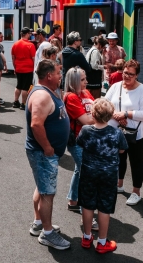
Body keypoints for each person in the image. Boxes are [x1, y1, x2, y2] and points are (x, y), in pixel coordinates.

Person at [25, 60, 70, 250]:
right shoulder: (42, 95)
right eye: (59, 73)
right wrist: (47, 147)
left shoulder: (48, 91)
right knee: (47, 194)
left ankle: (38, 223)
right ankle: (48, 234)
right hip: (43, 153)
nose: (61, 76)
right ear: (49, 75)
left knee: (42, 188)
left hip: (46, 153)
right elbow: (36, 124)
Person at [77, 98, 127, 254]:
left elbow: (80, 144)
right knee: (105, 207)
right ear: (111, 115)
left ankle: (86, 237)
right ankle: (103, 242)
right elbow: (122, 150)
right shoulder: (116, 133)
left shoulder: (85, 130)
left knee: (87, 204)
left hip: (88, 172)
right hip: (108, 174)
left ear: (92, 113)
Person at [105, 59, 143, 205]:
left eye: (131, 74)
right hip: (116, 130)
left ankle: (136, 192)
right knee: (119, 158)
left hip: (135, 134)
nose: (127, 76)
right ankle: (119, 184)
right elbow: (105, 104)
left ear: (137, 75)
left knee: (136, 161)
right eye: (125, 73)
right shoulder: (115, 86)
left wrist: (126, 114)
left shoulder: (142, 90)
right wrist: (117, 116)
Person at [62, 66, 95, 215]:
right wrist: (101, 116)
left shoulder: (85, 92)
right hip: (76, 140)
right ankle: (86, 211)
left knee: (79, 170)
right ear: (74, 81)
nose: (86, 82)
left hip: (88, 139)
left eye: (85, 78)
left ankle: (73, 200)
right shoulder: (71, 97)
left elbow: (94, 113)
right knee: (86, 173)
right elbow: (86, 120)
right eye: (82, 80)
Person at [11, 27, 36, 110]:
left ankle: (15, 101)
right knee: (25, 87)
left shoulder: (15, 44)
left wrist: (15, 67)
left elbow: (13, 58)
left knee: (18, 85)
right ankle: (23, 103)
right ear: (27, 34)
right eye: (29, 34)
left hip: (18, 67)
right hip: (28, 68)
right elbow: (33, 58)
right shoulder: (30, 45)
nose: (30, 35)